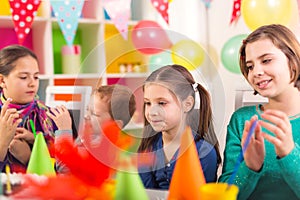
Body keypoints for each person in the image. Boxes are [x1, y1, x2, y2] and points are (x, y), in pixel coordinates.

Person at [218, 24, 300, 200]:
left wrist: (289, 154)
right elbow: (225, 193)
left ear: (292, 61)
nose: (256, 72)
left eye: (266, 60)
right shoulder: (242, 120)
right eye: (250, 66)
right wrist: (249, 167)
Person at [138, 64, 221, 189]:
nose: (152, 112)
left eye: (162, 103)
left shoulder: (204, 153)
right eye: (148, 103)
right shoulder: (148, 149)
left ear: (187, 104)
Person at [49, 84, 137, 173]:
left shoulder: (100, 147)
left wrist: (64, 130)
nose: (86, 116)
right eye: (87, 110)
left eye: (95, 114)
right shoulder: (91, 137)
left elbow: (64, 169)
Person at [0, 45, 57, 173]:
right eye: (24, 77)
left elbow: (61, 170)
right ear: (2, 80)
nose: (32, 83)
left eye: (36, 77)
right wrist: (3, 143)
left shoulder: (49, 116)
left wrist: (35, 142)